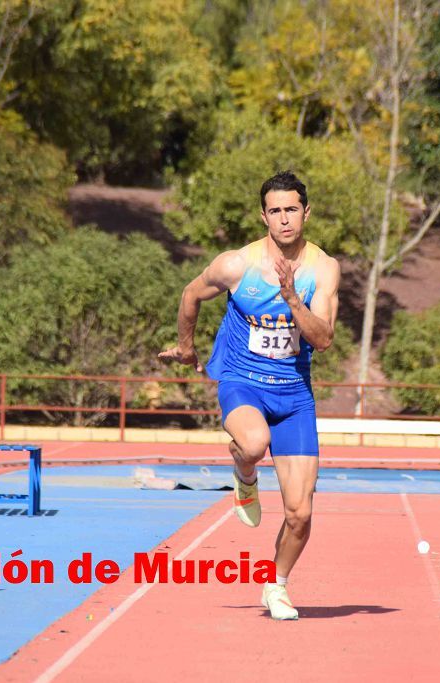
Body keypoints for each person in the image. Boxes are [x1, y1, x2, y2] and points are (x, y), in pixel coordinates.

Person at [159, 171, 340, 620]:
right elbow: (190, 294)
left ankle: (276, 586)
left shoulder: (323, 269)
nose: (284, 219)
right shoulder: (236, 265)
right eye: (275, 211)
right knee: (254, 443)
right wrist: (186, 347)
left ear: (306, 212)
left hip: (295, 395)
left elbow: (324, 339)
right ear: (264, 215)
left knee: (300, 513)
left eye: (291, 210)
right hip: (243, 381)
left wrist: (294, 300)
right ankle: (244, 470)